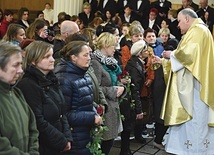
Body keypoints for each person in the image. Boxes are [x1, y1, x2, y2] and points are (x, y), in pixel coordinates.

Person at [154, 8, 214, 154]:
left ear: (187, 19)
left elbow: (188, 55)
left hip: (196, 89)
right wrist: (165, 62)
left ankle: (196, 151)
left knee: (195, 121)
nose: (178, 25)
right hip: (192, 85)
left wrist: (169, 54)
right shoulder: (196, 31)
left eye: (180, 21)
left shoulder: (199, 31)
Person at [17, 41, 72, 155]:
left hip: (58, 144)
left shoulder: (51, 80)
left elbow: (62, 113)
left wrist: (67, 137)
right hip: (44, 147)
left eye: (51, 56)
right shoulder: (28, 84)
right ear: (33, 60)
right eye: (47, 57)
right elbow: (37, 120)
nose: (52, 59)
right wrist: (61, 141)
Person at [54, 41, 103, 155]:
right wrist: (91, 118)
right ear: (74, 57)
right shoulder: (64, 79)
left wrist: (95, 116)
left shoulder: (82, 73)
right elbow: (63, 114)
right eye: (85, 55)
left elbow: (87, 103)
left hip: (84, 133)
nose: (89, 58)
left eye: (89, 55)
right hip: (75, 137)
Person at [0, 40, 39, 155]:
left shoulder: (16, 93)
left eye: (20, 64)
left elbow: (33, 128)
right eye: (15, 65)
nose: (20, 70)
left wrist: (33, 152)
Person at [91, 32, 126, 155]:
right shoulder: (95, 62)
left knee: (109, 142)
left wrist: (121, 87)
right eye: (113, 46)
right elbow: (96, 87)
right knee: (104, 144)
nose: (115, 49)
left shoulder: (110, 62)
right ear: (105, 45)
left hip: (113, 105)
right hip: (105, 108)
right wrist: (114, 90)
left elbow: (115, 80)